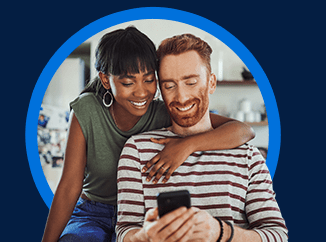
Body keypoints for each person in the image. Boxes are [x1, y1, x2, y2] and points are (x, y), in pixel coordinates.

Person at [41, 27, 255, 242]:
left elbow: (243, 130)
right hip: (93, 213)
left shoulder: (163, 111)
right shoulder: (87, 109)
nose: (142, 92)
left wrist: (187, 145)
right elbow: (69, 187)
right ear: (106, 80)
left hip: (142, 214)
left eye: (149, 79)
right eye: (128, 82)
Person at [116, 34, 288, 242]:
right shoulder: (136, 151)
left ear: (211, 83)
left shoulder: (248, 156)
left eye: (191, 82)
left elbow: (277, 235)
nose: (181, 97)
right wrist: (145, 237)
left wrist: (220, 232)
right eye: (170, 86)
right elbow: (124, 232)